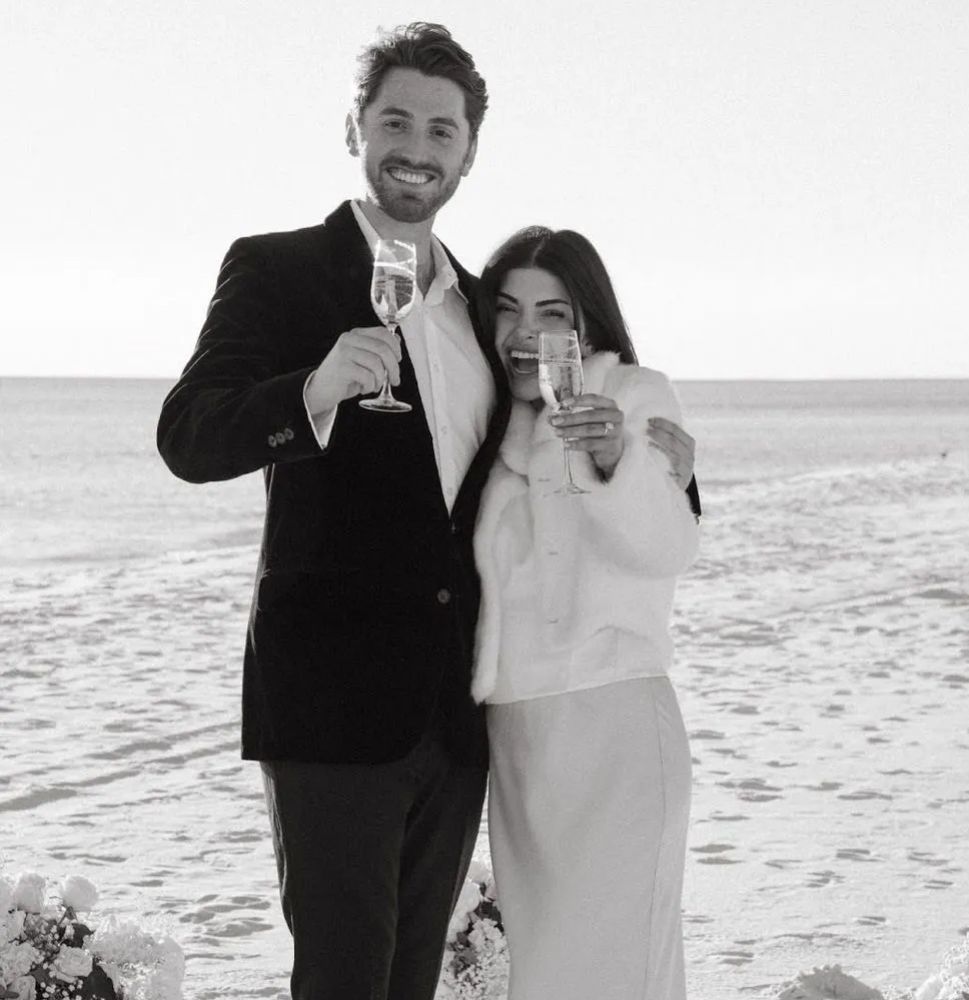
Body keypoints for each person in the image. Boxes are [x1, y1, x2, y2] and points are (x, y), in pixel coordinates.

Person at [157, 23, 510, 1000]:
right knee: (344, 980)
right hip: (330, 702)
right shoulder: (276, 270)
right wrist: (311, 394)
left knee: (408, 983)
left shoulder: (485, 312)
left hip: (455, 711)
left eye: (442, 130)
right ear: (354, 127)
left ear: (468, 151)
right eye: (394, 120)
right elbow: (189, 434)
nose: (417, 147)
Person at [471, 227, 700, 1000]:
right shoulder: (486, 421)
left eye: (553, 313)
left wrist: (617, 462)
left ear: (586, 321)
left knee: (620, 969)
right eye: (507, 311)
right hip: (519, 736)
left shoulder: (634, 395)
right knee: (546, 976)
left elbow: (669, 546)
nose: (527, 335)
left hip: (616, 722)